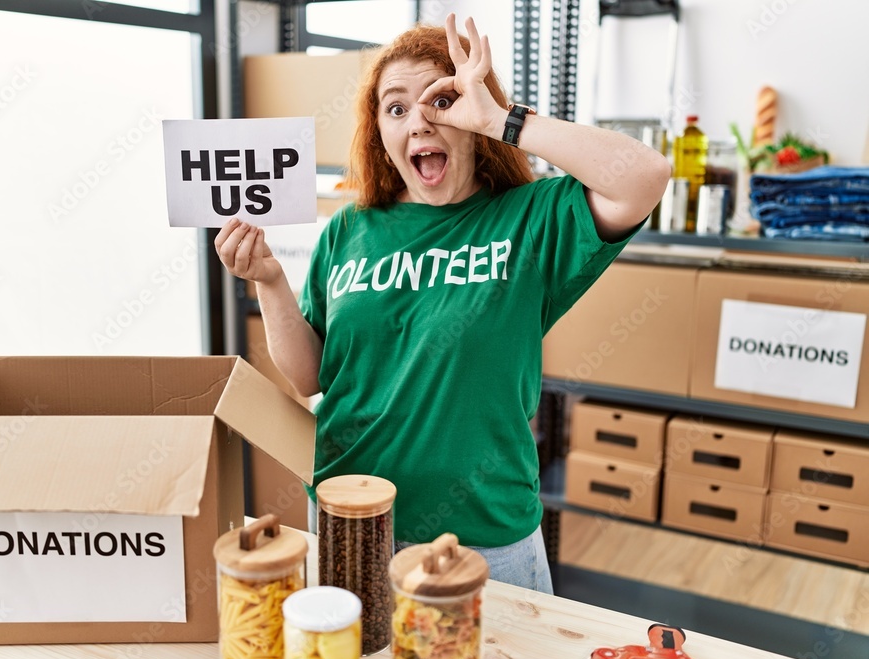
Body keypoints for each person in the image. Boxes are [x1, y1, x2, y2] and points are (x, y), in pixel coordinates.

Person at [215, 14, 670, 592]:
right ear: (377, 129)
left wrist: (501, 118)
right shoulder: (350, 229)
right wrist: (270, 281)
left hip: (482, 536)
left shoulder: (530, 219)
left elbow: (646, 176)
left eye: (442, 100)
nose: (420, 121)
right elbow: (310, 376)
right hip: (351, 514)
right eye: (396, 108)